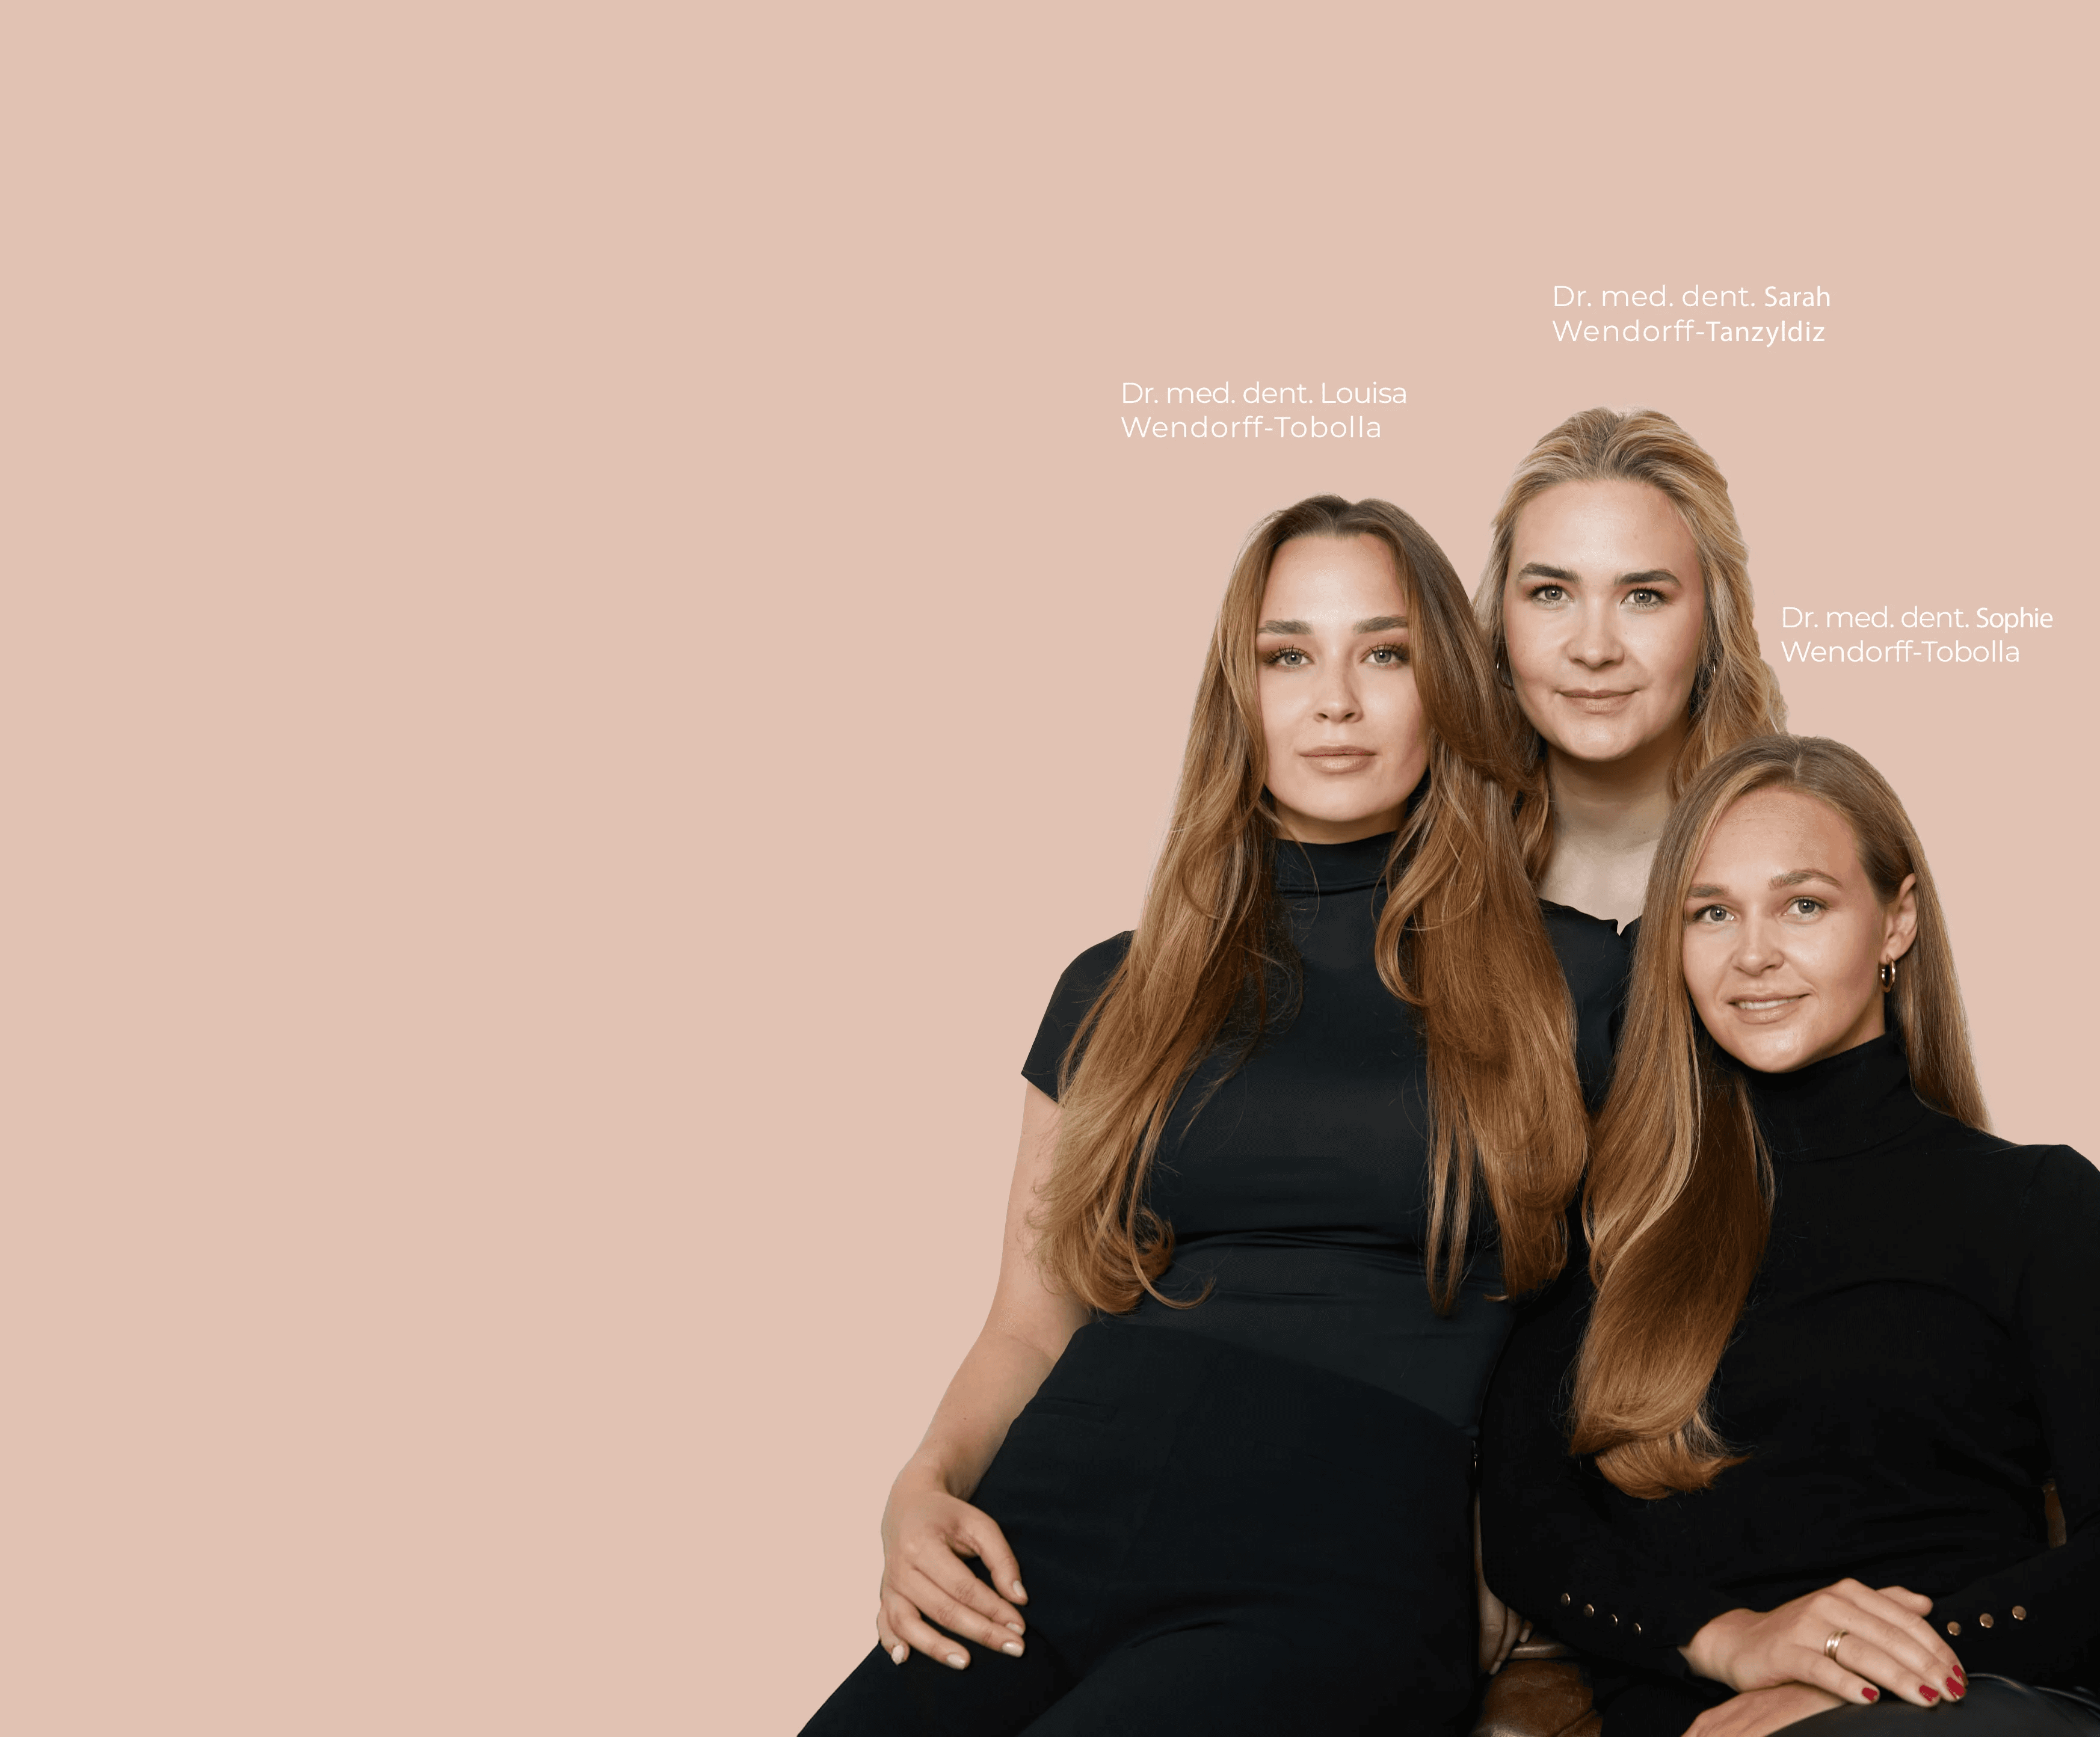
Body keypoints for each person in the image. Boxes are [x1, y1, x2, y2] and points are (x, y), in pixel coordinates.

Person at [802, 497, 1591, 1735]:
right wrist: (921, 1484)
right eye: (1288, 654)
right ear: (1239, 695)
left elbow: (1634, 1319)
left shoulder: (1574, 986)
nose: (1332, 698)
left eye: (1381, 652)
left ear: (1446, 683)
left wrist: (1523, 1532)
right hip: (1053, 1513)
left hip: (1342, 1542)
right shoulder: (1113, 985)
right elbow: (1027, 1322)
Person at [1479, 735, 2100, 1737]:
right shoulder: (1615, 1222)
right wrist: (1729, 1639)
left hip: (1971, 1703)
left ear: (1895, 921)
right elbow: (1527, 1525)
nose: (1752, 952)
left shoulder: (2036, 1202)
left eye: (1802, 903)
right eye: (1710, 912)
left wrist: (1864, 1669)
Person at [1476, 407, 1787, 1110]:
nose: (1594, 647)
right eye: (1550, 593)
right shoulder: (1420, 869)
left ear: (1713, 624)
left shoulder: (1809, 858)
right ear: (1499, 622)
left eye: (1642, 595)